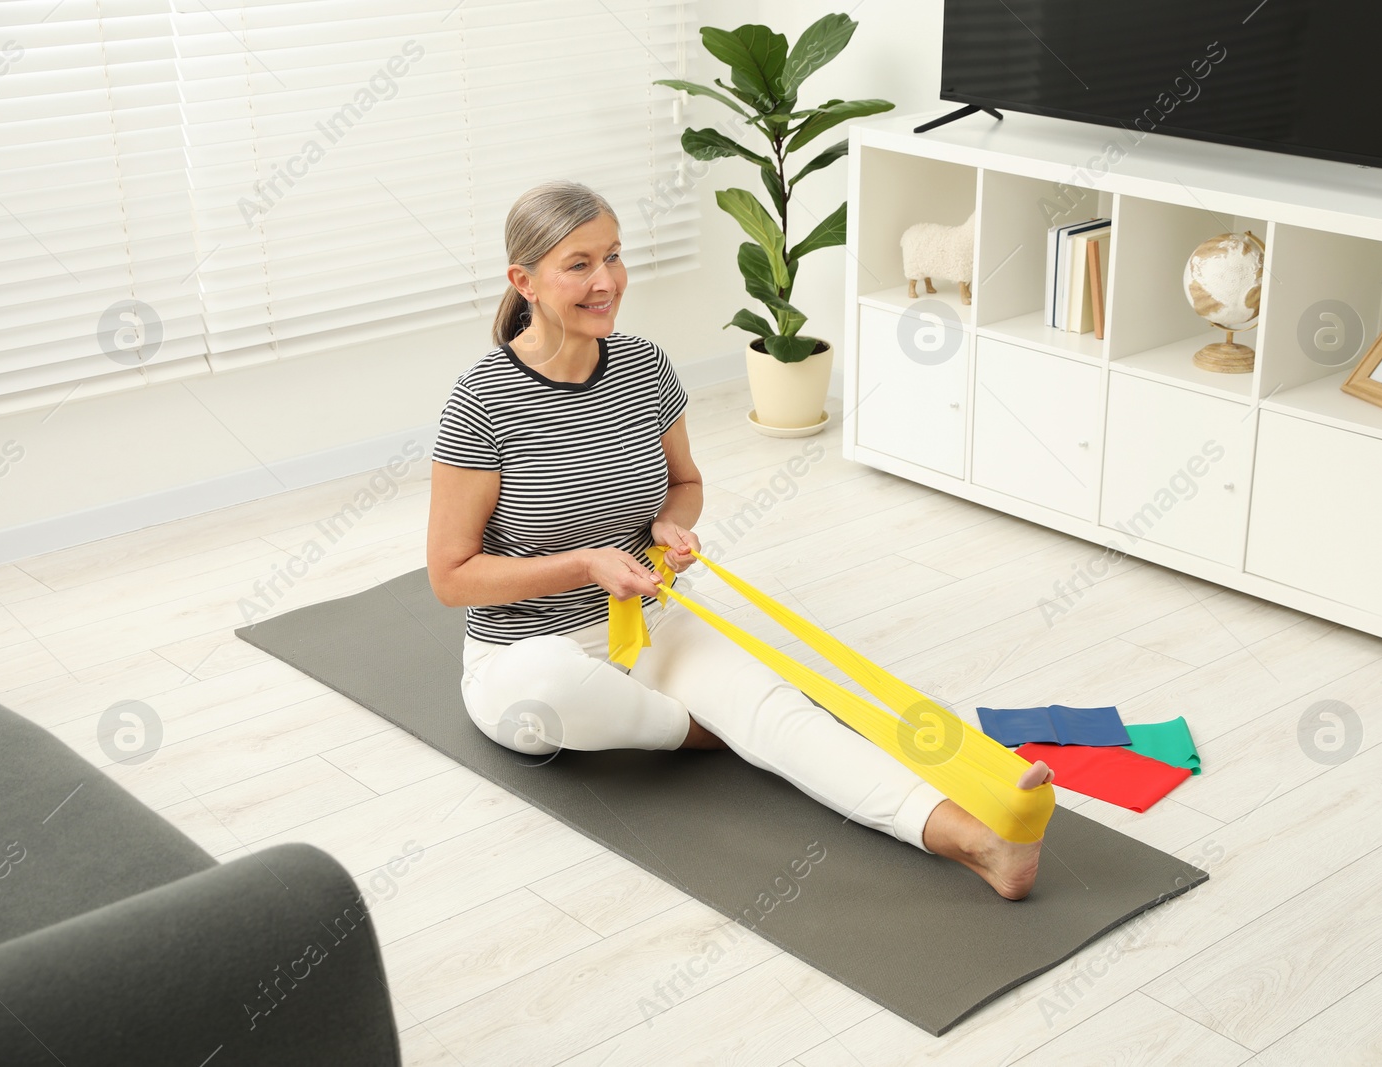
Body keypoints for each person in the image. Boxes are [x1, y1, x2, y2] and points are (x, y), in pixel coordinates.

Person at [425, 179, 1053, 899]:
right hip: (526, 652)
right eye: (579, 264)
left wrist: (669, 525)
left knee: (780, 714)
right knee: (547, 687)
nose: (608, 282)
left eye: (615, 256)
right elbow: (451, 576)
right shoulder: (482, 402)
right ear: (523, 281)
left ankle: (981, 842)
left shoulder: (644, 368)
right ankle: (696, 731)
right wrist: (584, 565)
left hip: (652, 619)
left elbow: (685, 486)